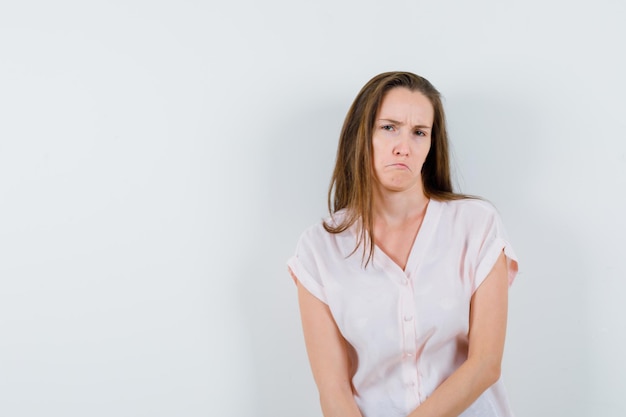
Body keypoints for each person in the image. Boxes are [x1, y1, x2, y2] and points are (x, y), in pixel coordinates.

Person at [287, 71, 519, 417]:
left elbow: (485, 364)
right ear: (360, 136)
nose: (403, 147)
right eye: (389, 127)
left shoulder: (477, 224)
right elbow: (333, 393)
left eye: (419, 133)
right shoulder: (318, 250)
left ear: (430, 145)